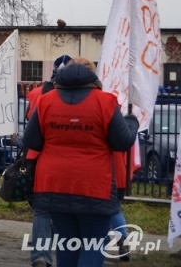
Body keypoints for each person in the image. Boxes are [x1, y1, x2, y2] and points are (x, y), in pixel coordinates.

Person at [22, 57, 139, 267]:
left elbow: (31, 141)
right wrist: (132, 121)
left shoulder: (46, 102)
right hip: (94, 186)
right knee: (93, 244)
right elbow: (122, 143)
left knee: (66, 243)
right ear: (93, 78)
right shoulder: (105, 102)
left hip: (54, 184)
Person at [23, 54, 71, 267]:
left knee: (42, 209)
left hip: (40, 160)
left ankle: (41, 255)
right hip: (69, 164)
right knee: (63, 210)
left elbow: (29, 133)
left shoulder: (37, 95)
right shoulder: (79, 99)